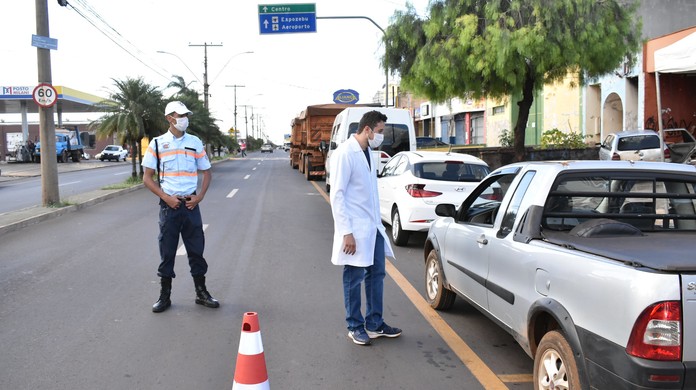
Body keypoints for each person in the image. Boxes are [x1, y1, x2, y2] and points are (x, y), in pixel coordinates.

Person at [329, 110, 402, 345]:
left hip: (373, 227)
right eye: (379, 131)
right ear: (367, 129)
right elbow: (337, 195)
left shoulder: (369, 152)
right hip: (354, 229)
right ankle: (354, 325)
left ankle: (374, 323)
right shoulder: (345, 153)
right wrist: (346, 232)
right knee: (354, 277)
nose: (381, 136)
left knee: (377, 274)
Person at [142, 101, 219, 313]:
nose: (184, 118)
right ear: (169, 118)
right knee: (167, 252)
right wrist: (166, 198)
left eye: (186, 115)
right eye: (180, 115)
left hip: (191, 205)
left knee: (196, 250)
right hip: (169, 207)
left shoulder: (195, 142)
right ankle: (164, 296)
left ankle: (201, 293)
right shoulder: (157, 144)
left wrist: (200, 196)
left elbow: (207, 171)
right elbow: (147, 178)